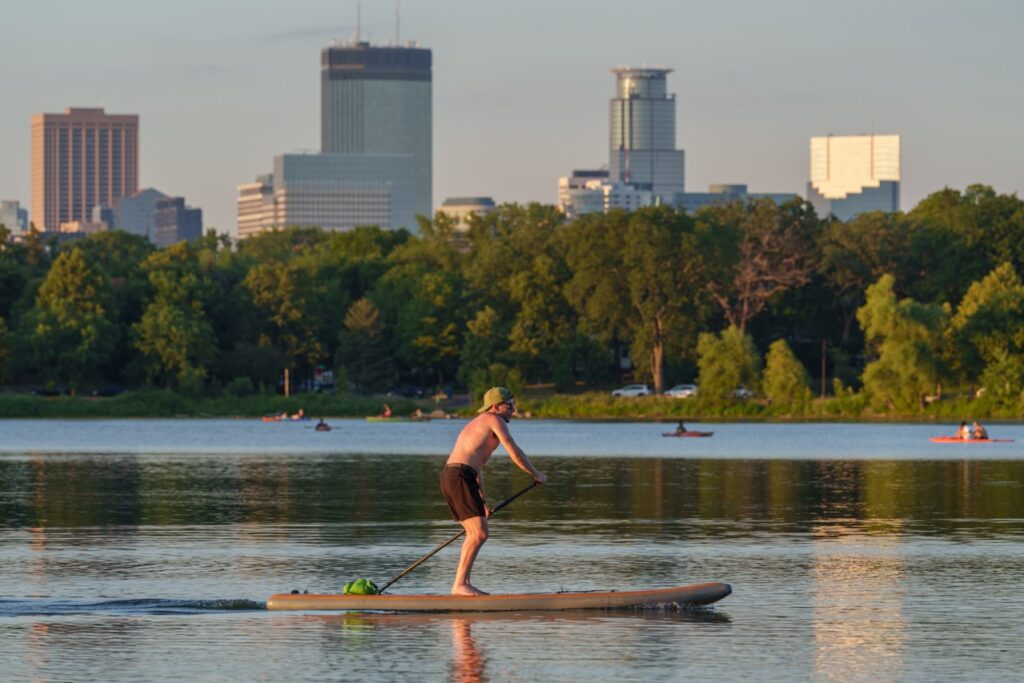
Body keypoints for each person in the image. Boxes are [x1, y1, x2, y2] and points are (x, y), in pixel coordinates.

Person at [440, 387, 547, 596]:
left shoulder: (482, 424)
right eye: (509, 406)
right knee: (479, 533)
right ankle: (460, 585)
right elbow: (514, 451)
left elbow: (477, 470)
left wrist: (483, 502)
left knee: (475, 533)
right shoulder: (492, 420)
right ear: (496, 406)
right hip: (458, 476)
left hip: (455, 476)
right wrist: (536, 474)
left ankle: (463, 585)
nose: (513, 410)